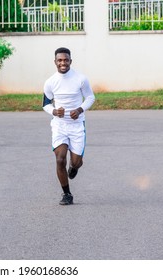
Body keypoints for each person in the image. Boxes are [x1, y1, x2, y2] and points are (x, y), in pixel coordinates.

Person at [42, 47, 95, 205]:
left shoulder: (81, 79)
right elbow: (45, 104)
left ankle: (75, 167)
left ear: (70, 61)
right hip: (59, 125)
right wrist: (54, 111)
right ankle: (67, 194)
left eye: (66, 60)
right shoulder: (50, 82)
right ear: (55, 62)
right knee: (60, 160)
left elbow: (90, 97)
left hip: (77, 125)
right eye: (60, 60)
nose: (63, 63)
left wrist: (79, 110)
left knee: (76, 162)